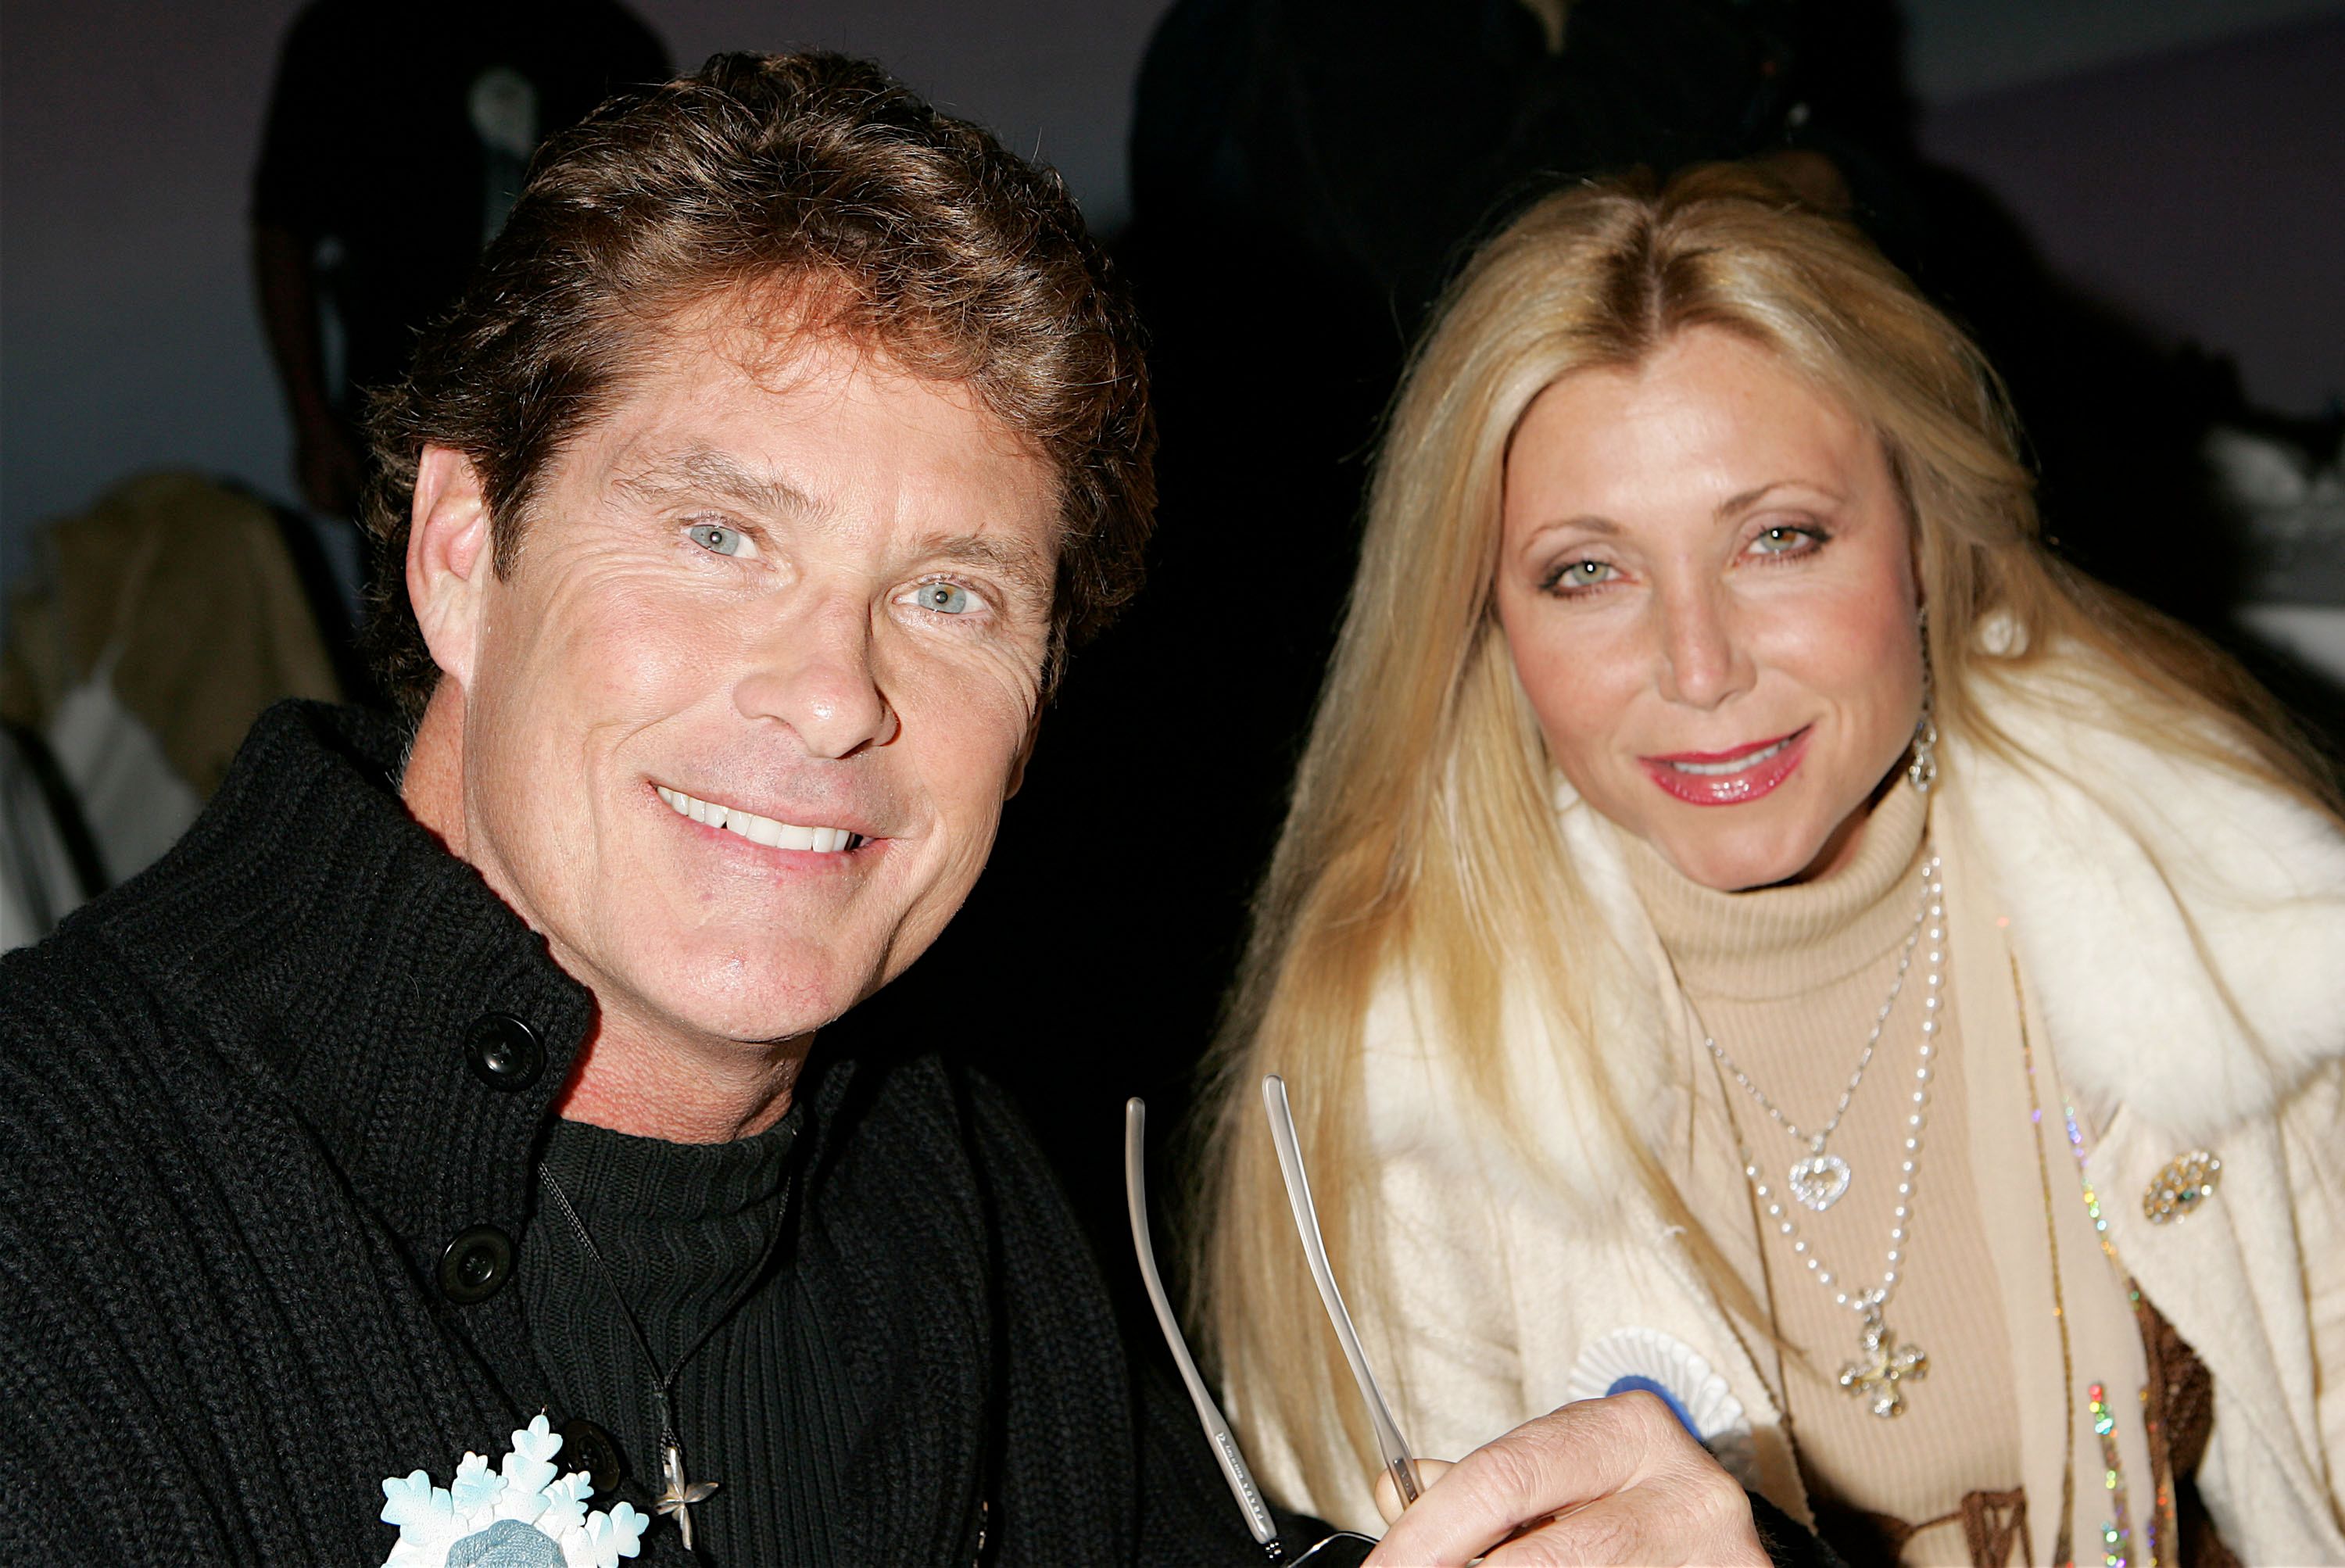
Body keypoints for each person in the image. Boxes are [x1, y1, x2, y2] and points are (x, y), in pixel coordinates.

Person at [0, 54, 1811, 1568]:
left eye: (949, 594)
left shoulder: (942, 1175)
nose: (835, 691)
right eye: (723, 537)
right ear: (460, 551)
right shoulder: (59, 1205)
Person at [1195, 165, 2345, 1566]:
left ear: (1925, 539)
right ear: (1483, 624)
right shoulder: (1392, 1101)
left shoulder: (2222, 909)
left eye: (1780, 538)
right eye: (1587, 572)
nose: (1700, 664)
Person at [252, 0, 669, 517]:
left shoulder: (612, 44)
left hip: (572, 402)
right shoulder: (347, 37)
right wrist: (314, 426)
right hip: (399, 406)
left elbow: (658, 247)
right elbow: (282, 235)